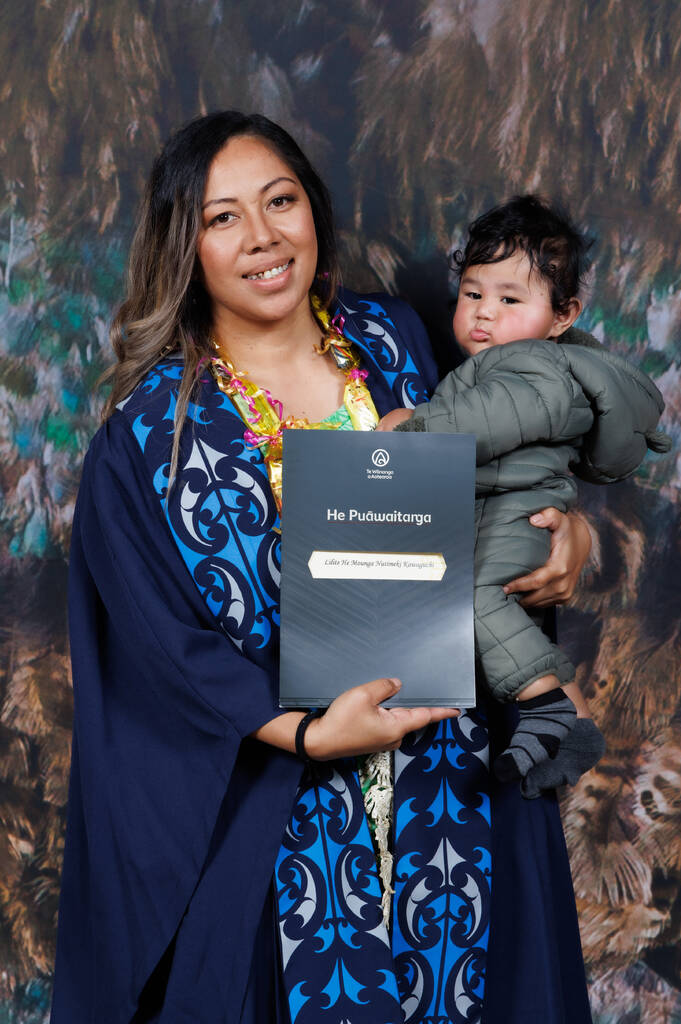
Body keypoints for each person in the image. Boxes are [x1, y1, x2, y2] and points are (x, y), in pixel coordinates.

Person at [51, 113, 595, 1024]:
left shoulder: (402, 346)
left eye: (280, 201)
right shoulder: (149, 436)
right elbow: (160, 650)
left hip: (457, 781)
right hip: (281, 812)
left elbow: (527, 444)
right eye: (222, 218)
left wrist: (565, 530)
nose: (262, 237)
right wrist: (305, 736)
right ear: (183, 244)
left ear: (314, 210)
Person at [378, 195, 669, 794]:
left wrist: (406, 429)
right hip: (508, 506)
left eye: (510, 300)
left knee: (472, 592)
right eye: (473, 294)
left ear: (563, 316)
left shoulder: (534, 369)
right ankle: (559, 720)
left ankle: (558, 714)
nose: (484, 314)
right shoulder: (514, 364)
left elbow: (476, 429)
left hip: (518, 513)